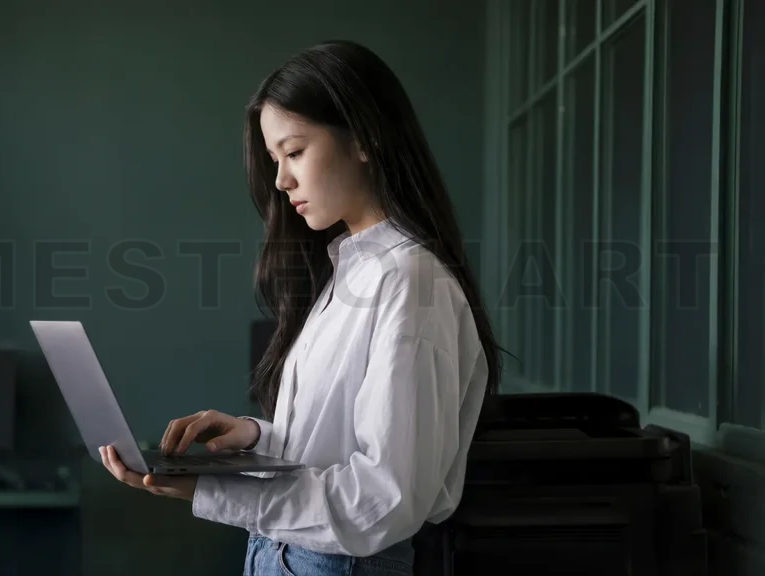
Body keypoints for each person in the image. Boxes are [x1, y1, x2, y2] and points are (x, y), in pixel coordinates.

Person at [98, 39, 503, 575]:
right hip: (285, 554)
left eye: (294, 152)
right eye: (274, 160)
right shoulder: (352, 269)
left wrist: (211, 493)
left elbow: (384, 499)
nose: (281, 180)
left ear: (364, 139)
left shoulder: (409, 281)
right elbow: (343, 444)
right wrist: (259, 436)